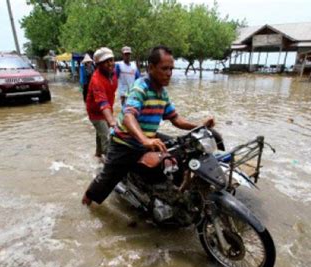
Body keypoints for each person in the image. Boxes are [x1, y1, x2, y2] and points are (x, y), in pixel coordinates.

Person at [82, 45, 214, 207]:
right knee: (105, 181)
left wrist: (200, 126)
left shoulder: (162, 93)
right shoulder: (141, 87)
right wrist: (145, 140)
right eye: (164, 69)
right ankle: (86, 201)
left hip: (147, 140)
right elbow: (129, 117)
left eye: (171, 69)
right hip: (125, 144)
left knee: (182, 150)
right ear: (151, 68)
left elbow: (176, 119)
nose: (169, 73)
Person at [85, 47, 118, 161]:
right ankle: (109, 165)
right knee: (107, 138)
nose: (110, 64)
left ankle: (97, 155)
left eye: (111, 60)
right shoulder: (96, 80)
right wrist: (112, 121)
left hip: (108, 109)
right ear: (98, 65)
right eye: (106, 61)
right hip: (95, 112)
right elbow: (102, 102)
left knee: (101, 134)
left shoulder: (114, 72)